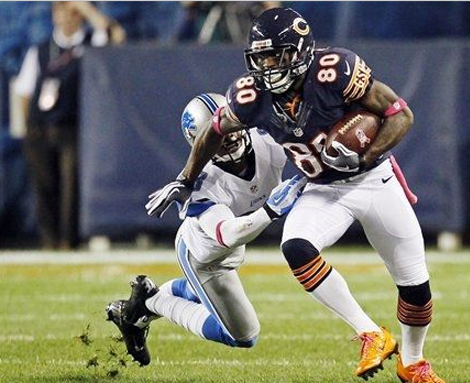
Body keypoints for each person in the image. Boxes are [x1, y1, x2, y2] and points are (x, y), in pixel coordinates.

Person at [146, 7, 446, 383]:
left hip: (374, 179)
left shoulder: (335, 70)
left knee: (415, 286)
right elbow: (214, 130)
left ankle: (413, 362)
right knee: (297, 245)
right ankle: (370, 333)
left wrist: (364, 154)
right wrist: (186, 178)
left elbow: (401, 114)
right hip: (322, 188)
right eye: (261, 57)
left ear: (300, 51)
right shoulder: (250, 94)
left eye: (275, 55)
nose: (267, 65)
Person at [106, 93, 306, 366]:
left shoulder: (265, 140)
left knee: (218, 304)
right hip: (205, 257)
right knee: (243, 336)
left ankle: (148, 296)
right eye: (219, 137)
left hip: (235, 246)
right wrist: (270, 210)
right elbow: (229, 234)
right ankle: (150, 303)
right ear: (203, 143)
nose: (231, 138)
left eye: (232, 130)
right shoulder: (204, 185)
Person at [12, 1, 125, 250]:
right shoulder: (41, 49)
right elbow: (24, 91)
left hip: (72, 127)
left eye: (71, 12)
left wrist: (85, 8)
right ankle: (49, 241)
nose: (65, 17)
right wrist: (28, 127)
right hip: (40, 128)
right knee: (44, 186)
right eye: (60, 11)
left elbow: (115, 36)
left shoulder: (88, 46)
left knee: (70, 186)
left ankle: (68, 243)